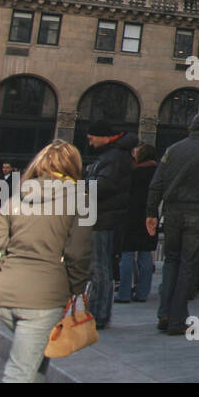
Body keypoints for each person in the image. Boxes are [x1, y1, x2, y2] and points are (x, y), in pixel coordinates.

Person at [0, 140, 93, 383]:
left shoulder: (17, 195)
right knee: (20, 372)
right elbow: (78, 252)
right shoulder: (80, 198)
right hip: (44, 295)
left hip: (4, 292)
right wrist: (78, 288)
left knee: (35, 361)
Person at [147, 112, 199, 335]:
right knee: (189, 264)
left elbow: (156, 183)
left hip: (171, 211)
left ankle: (164, 313)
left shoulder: (172, 149)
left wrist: (151, 212)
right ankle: (178, 318)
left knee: (171, 261)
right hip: (197, 211)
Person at [84, 121, 136, 329]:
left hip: (104, 217)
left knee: (100, 267)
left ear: (104, 137)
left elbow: (103, 186)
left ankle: (99, 314)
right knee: (100, 266)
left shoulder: (114, 157)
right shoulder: (113, 156)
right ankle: (98, 312)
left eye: (92, 138)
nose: (90, 142)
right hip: (103, 216)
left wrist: (82, 183)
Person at [116, 142, 159, 304]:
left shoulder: (133, 173)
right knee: (145, 253)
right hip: (150, 214)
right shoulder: (157, 172)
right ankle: (142, 293)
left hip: (131, 215)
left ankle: (124, 293)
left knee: (127, 254)